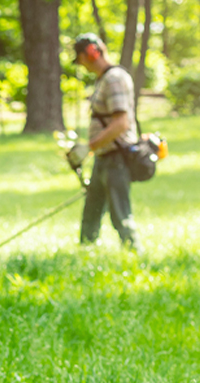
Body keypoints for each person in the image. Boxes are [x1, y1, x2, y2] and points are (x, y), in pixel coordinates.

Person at [68, 33, 140, 251]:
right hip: (103, 157)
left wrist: (88, 148)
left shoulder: (114, 79)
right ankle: (85, 254)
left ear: (90, 53)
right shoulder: (104, 79)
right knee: (91, 210)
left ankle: (135, 254)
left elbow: (121, 123)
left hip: (115, 158)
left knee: (120, 213)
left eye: (80, 57)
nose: (80, 64)